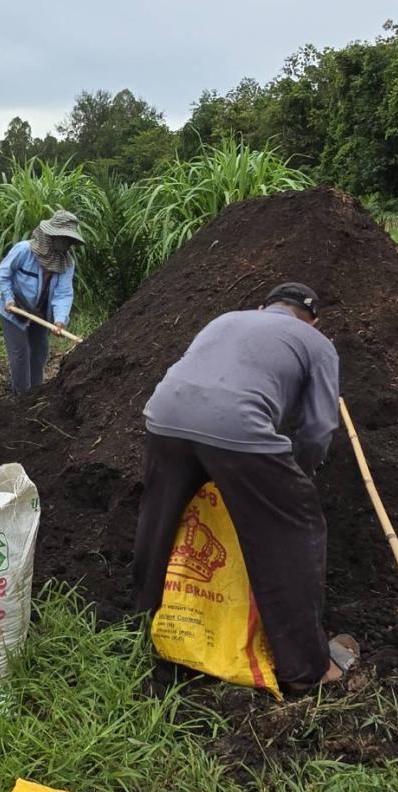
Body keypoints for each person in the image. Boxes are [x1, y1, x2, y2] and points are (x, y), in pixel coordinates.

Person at [132, 282, 348, 694]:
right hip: (237, 429)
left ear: (263, 307)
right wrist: (295, 474)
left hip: (164, 417)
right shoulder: (318, 343)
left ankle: (140, 623)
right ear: (315, 321)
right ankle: (306, 667)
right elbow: (319, 428)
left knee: (159, 519)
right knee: (294, 531)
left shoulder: (225, 319)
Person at [0, 210, 82, 395]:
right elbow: (3, 274)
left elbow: (63, 294)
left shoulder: (67, 264)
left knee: (39, 354)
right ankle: (20, 396)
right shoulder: (24, 250)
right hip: (14, 309)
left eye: (69, 240)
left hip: (41, 314)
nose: (67, 244)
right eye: (63, 238)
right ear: (52, 235)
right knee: (20, 355)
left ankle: (35, 394)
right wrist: (8, 299)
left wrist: (59, 320)